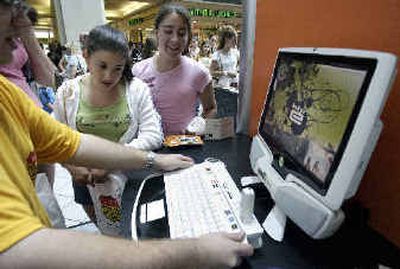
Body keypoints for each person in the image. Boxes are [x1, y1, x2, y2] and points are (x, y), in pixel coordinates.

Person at [0, 1, 253, 267]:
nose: (18, 47)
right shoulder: (71, 91)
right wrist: (195, 252)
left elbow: (69, 141)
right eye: (10, 35)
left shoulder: (9, 95)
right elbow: (20, 248)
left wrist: (153, 160)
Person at [53, 24, 164, 234]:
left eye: (117, 69)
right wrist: (70, 166)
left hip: (128, 176)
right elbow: (54, 138)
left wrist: (112, 162)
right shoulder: (68, 93)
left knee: (131, 229)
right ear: (86, 56)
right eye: (102, 66)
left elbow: (153, 135)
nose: (108, 76)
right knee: (105, 228)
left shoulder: (136, 89)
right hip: (84, 177)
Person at [132, 3, 217, 135]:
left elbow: (211, 108)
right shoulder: (138, 70)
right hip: (146, 148)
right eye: (168, 31)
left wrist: (200, 124)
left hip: (183, 149)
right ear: (157, 33)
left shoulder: (199, 73)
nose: (175, 39)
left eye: (182, 33)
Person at [210, 25, 240, 89]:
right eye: (233, 40)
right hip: (222, 86)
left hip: (235, 84)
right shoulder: (217, 55)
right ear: (226, 39)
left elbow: (239, 66)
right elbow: (212, 72)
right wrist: (226, 73)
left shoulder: (236, 53)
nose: (235, 43)